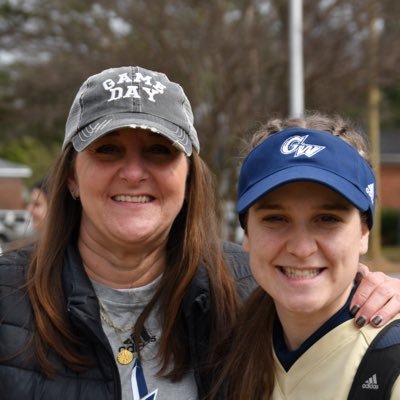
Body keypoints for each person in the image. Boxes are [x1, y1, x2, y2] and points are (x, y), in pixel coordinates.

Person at [0, 69, 399, 400]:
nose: (134, 172)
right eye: (107, 150)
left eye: (159, 150)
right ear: (70, 175)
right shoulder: (7, 298)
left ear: (190, 176)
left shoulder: (245, 288)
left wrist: (377, 294)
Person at [212, 113, 400, 399]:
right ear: (246, 233)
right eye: (276, 218)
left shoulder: (391, 362)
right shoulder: (228, 350)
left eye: (327, 219)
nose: (301, 248)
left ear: (364, 232)